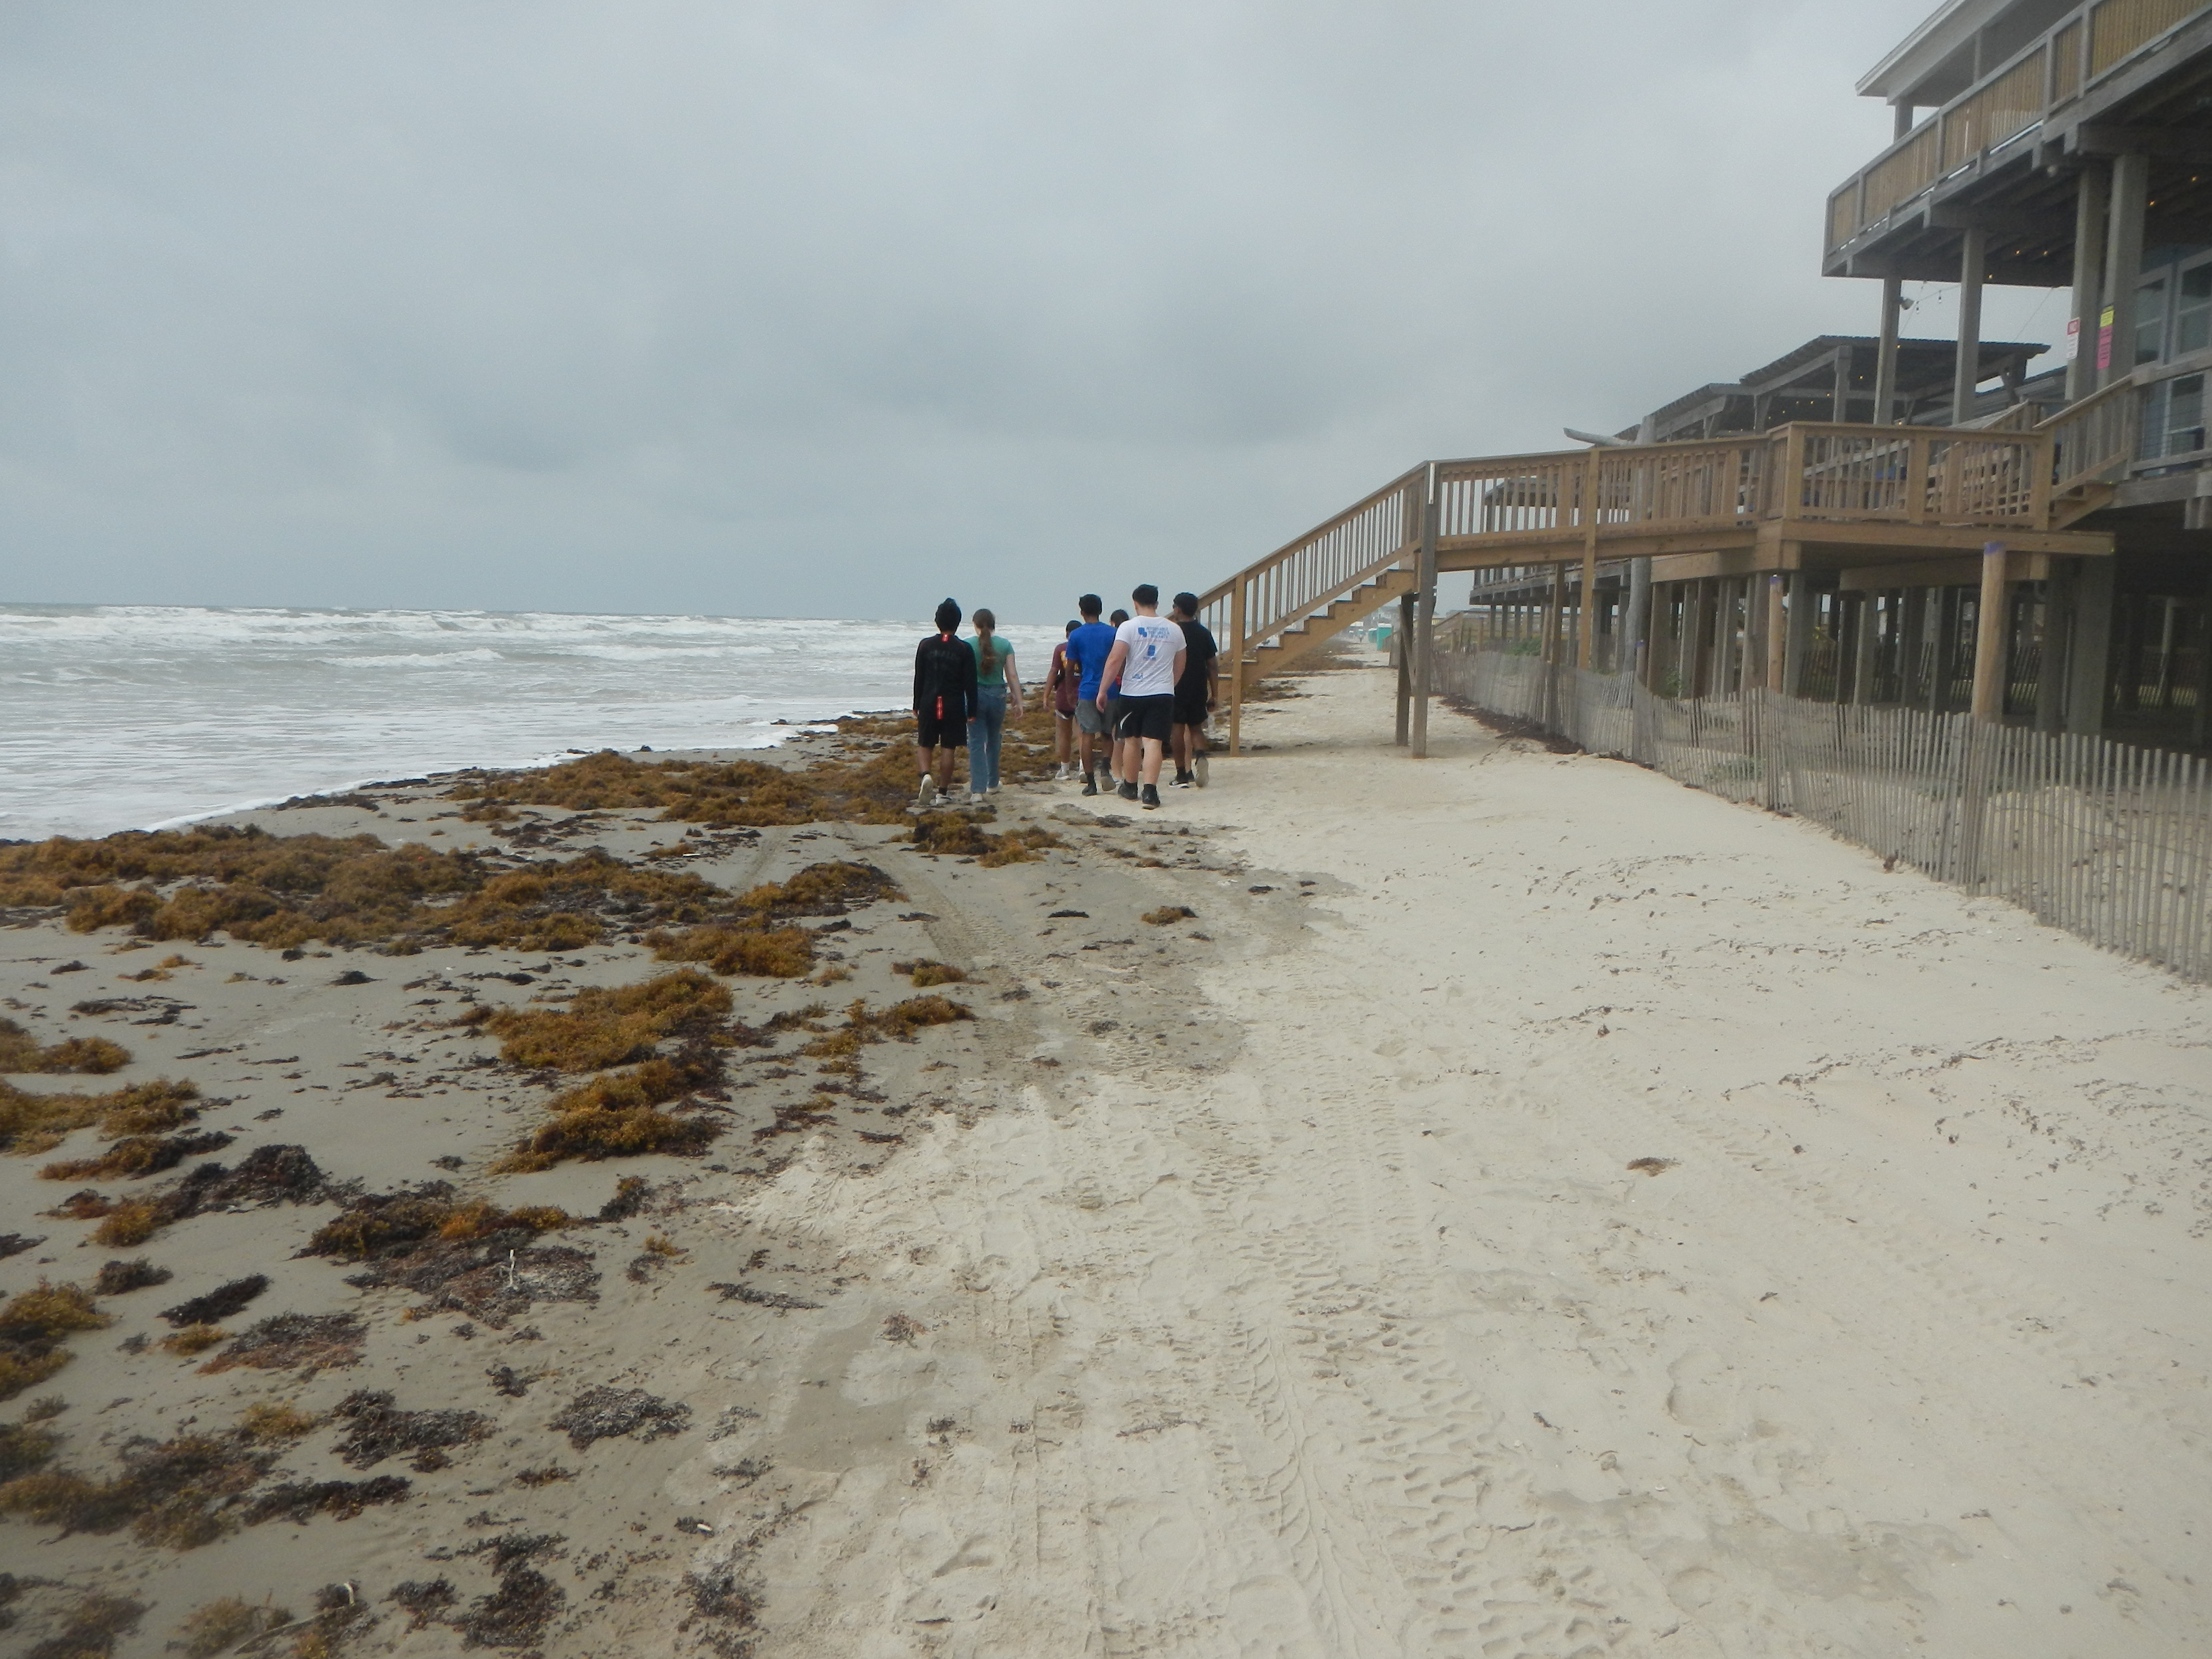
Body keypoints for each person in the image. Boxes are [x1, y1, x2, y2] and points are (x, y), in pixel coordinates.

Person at [1097, 584, 1185, 810]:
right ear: (1157, 603)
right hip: (1162, 692)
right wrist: (1170, 684)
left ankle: (1130, 786)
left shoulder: (1128, 627)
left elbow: (1115, 660)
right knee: (1154, 742)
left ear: (1135, 603)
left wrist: (1103, 690)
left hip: (1133, 692)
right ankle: (1150, 792)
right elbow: (1180, 663)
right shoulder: (1174, 629)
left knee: (1132, 740)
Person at [912, 598, 977, 809]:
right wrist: (972, 710)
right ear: (958, 622)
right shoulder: (964, 649)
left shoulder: (925, 645)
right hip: (953, 704)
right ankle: (942, 793)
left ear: (937, 621)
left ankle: (926, 775)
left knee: (925, 743)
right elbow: (970, 684)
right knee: (949, 748)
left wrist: (916, 704)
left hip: (929, 701)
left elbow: (919, 677)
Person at [963, 608, 1024, 799]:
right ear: (993, 625)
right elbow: (1012, 675)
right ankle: (992, 782)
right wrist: (1018, 700)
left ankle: (977, 790)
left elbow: (960, 676)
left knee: (976, 742)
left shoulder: (967, 645)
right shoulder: (1005, 645)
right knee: (993, 739)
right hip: (998, 695)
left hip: (974, 696)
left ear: (975, 625)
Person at [1065, 595, 1117, 796]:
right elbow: (1120, 661)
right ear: (1100, 611)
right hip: (1111, 690)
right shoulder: (1112, 633)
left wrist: (1070, 691)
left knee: (1087, 736)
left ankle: (1091, 782)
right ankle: (1105, 769)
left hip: (1087, 690)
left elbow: (1070, 667)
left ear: (1082, 612)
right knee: (1107, 733)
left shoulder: (1076, 635)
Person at [1168, 592, 1219, 789]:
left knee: (1177, 730)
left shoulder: (1173, 632)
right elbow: (1212, 665)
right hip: (1198, 686)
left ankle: (1182, 774)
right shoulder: (1203, 633)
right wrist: (1215, 694)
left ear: (1178, 609)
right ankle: (1201, 756)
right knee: (1196, 728)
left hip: (1176, 685)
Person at [1046, 621, 1081, 779]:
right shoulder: (1086, 649)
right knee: (1083, 734)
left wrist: (1046, 695)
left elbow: (1054, 672)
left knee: (1064, 734)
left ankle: (1065, 769)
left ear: (1067, 634)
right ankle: (1083, 768)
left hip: (1064, 696)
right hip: (1083, 695)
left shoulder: (1061, 649)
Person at [1104, 608, 1132, 787]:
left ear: (1113, 623)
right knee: (1127, 733)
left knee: (1114, 733)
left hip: (1114, 688)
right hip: (1131, 688)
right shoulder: (1131, 637)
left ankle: (1116, 771)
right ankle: (1124, 770)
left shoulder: (1114, 639)